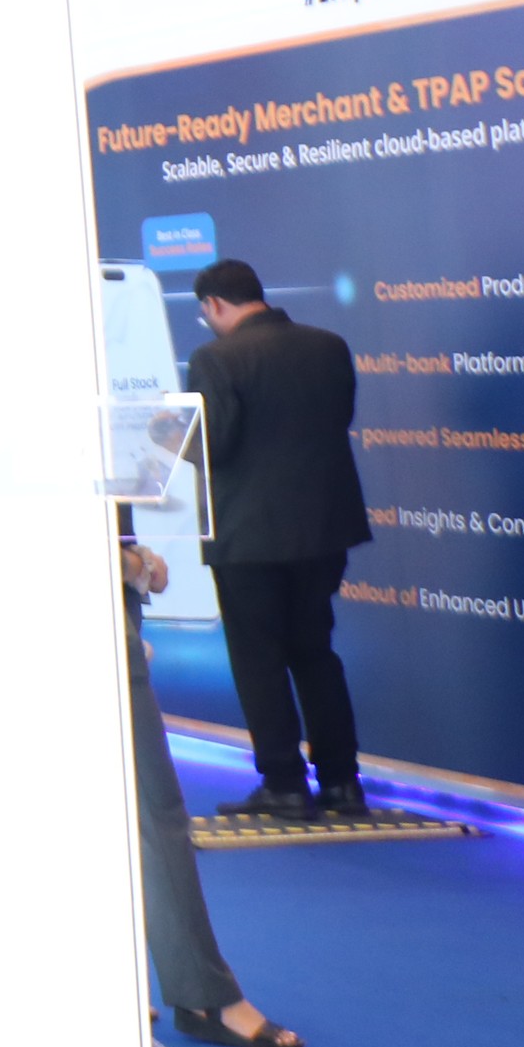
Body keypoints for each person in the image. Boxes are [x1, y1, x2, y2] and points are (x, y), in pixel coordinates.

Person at [185, 259, 371, 822]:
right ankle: (341, 783)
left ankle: (285, 784)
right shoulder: (328, 346)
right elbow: (339, 419)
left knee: (258, 660)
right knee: (316, 652)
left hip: (248, 538)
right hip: (323, 531)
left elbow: (213, 444)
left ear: (215, 305)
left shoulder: (214, 359)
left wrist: (170, 435)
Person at [117, 534, 297, 1047]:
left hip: (91, 599)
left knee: (120, 807)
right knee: (154, 811)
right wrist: (127, 562)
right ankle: (202, 996)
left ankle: (110, 980)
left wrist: (131, 559)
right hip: (76, 604)